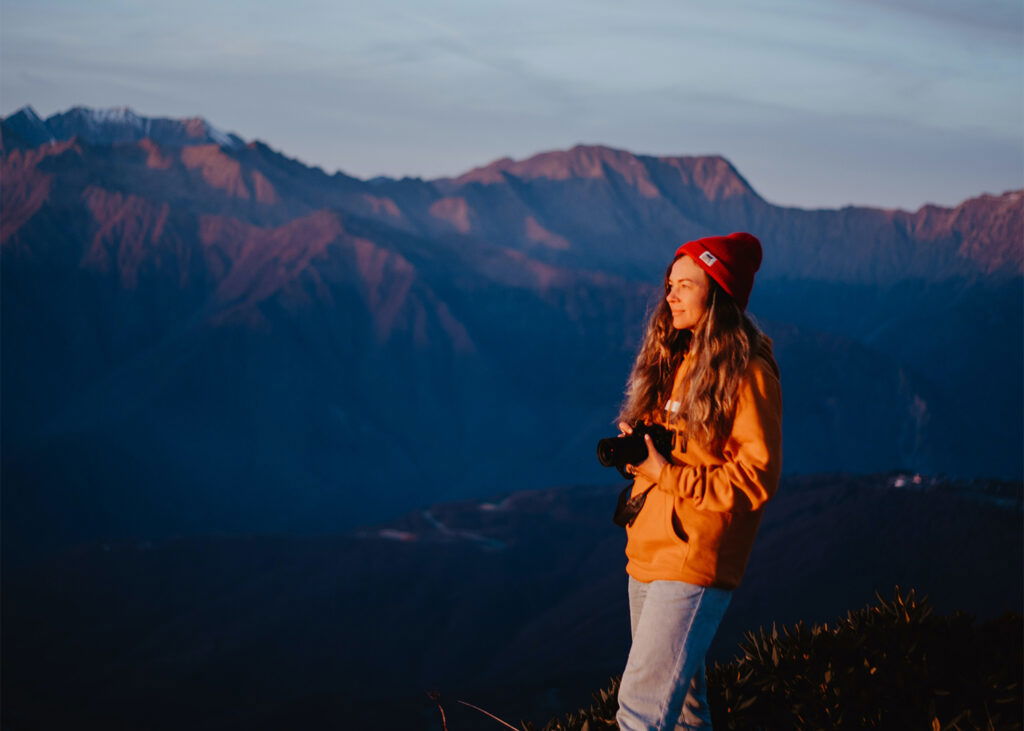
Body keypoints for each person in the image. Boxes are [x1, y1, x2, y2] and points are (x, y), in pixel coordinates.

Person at [614, 232, 783, 730]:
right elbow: (681, 457)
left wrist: (665, 473)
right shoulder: (680, 361)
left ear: (718, 292)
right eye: (670, 284)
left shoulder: (748, 373)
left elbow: (754, 478)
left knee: (639, 709)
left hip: (692, 557)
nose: (670, 295)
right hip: (647, 550)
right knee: (685, 711)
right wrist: (641, 454)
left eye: (685, 285)